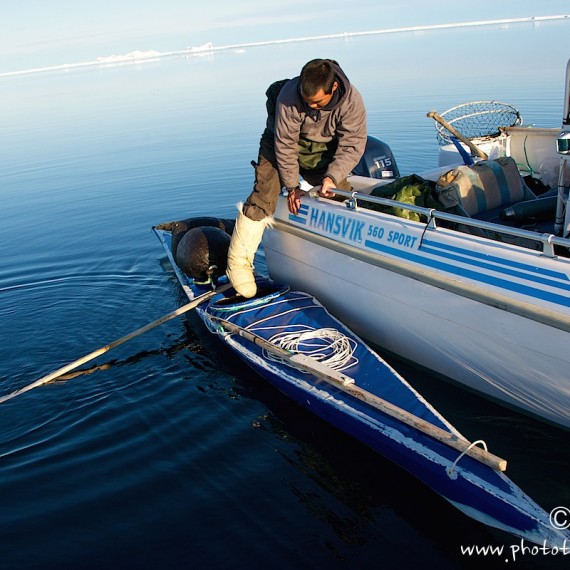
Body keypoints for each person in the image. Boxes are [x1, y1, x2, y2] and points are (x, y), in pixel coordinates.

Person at [226, 58, 367, 298]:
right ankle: (238, 264)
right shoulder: (289, 97)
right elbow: (285, 145)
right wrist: (292, 187)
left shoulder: (352, 101)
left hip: (322, 148)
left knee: (338, 195)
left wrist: (331, 177)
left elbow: (352, 145)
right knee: (265, 194)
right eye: (306, 100)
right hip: (278, 142)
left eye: (317, 102)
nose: (310, 106)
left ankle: (344, 264)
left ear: (333, 88)